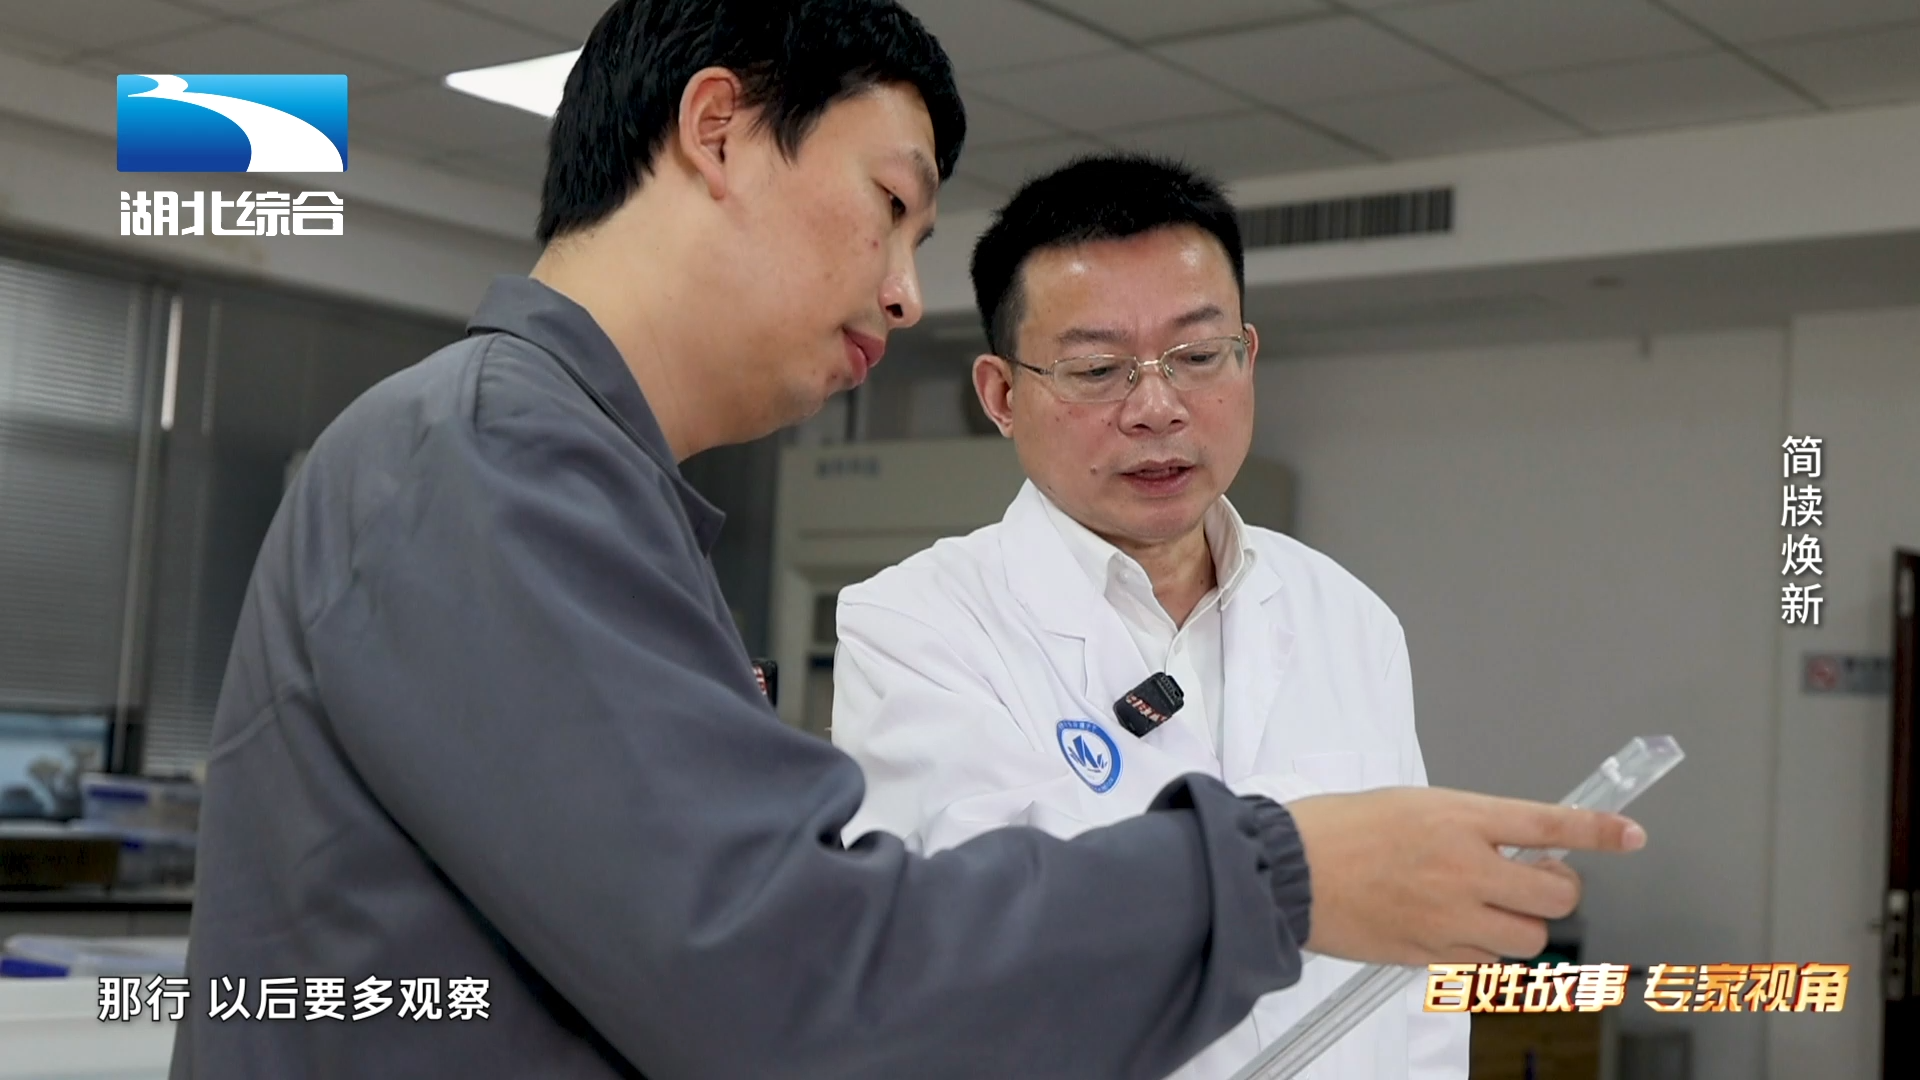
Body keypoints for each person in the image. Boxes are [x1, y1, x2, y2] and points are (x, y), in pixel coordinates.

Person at [172, 3, 1643, 1079]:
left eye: (1200, 357)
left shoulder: (566, 471)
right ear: (718, 131)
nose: (900, 293)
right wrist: (1282, 876)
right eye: (889, 209)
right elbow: (793, 974)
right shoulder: (492, 455)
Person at [827, 155, 1464, 1078]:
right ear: (1001, 396)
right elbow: (987, 953)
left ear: (1248, 356)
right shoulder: (915, 626)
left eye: (1198, 357)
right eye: (1098, 370)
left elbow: (1418, 974)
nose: (1158, 409)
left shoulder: (1348, 617)